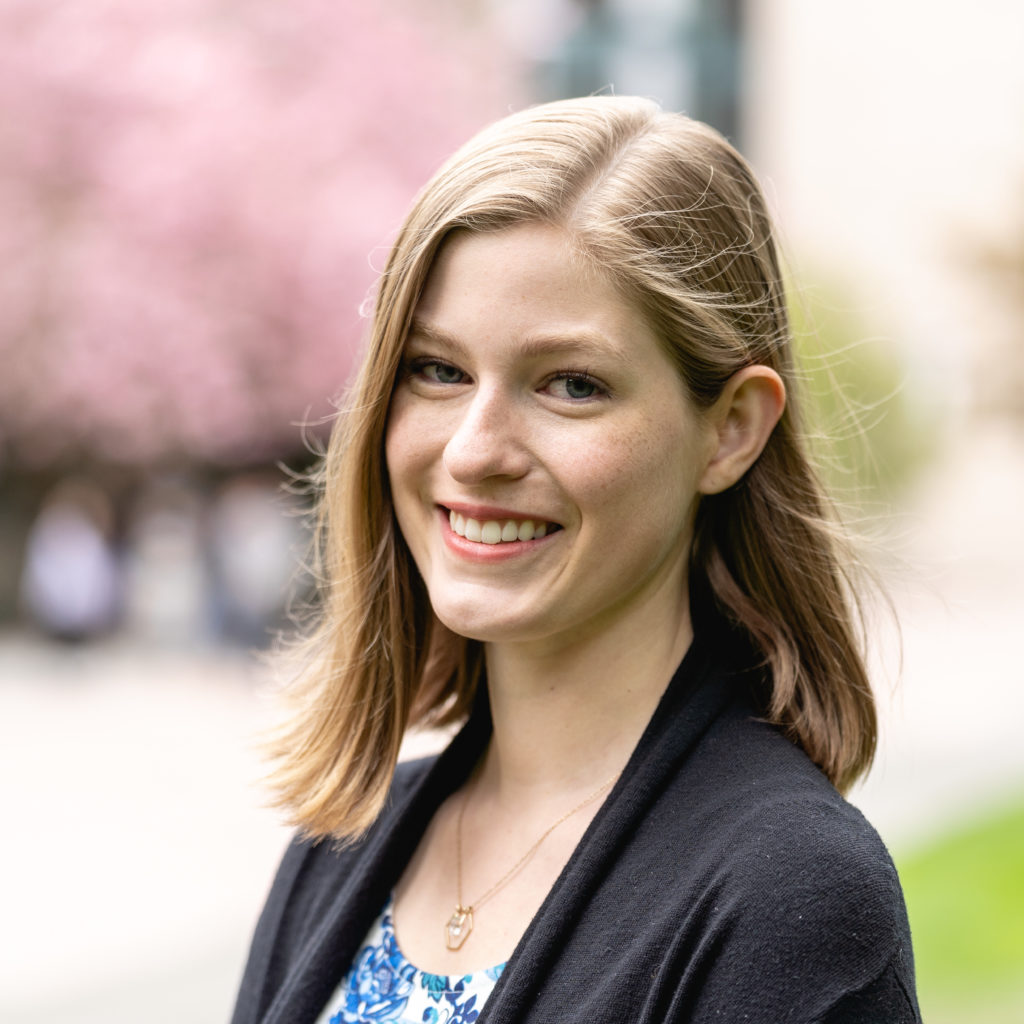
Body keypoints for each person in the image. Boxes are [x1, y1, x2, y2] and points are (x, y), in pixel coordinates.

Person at [231, 96, 920, 1024]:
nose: (476, 451)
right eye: (437, 369)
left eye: (571, 385)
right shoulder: (344, 840)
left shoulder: (787, 898)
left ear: (731, 431)